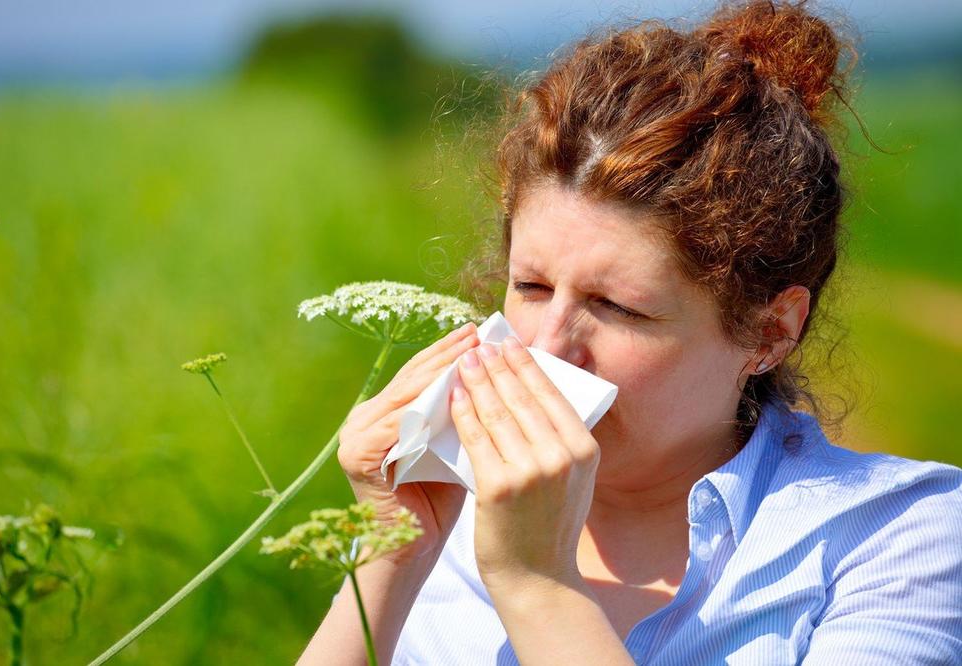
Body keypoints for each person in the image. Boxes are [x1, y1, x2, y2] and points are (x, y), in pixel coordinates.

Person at [304, 1, 962, 663]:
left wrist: (538, 586)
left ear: (769, 331)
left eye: (618, 307)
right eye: (530, 286)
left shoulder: (899, 537)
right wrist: (391, 552)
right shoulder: (449, 519)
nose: (547, 346)